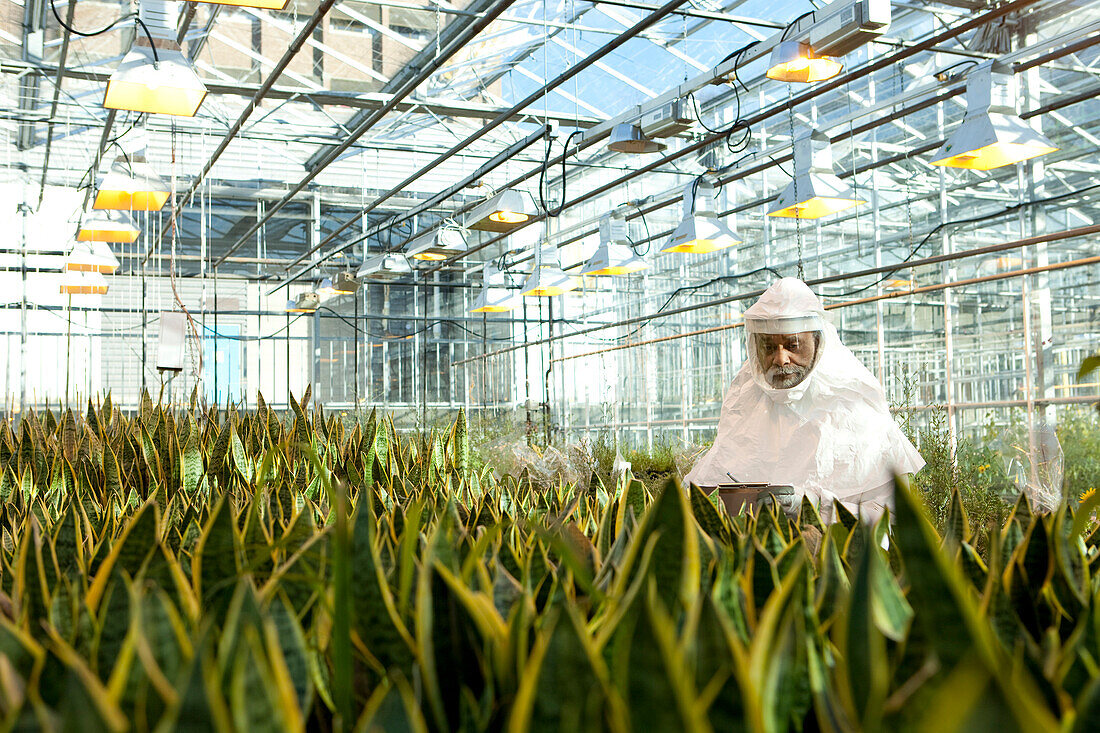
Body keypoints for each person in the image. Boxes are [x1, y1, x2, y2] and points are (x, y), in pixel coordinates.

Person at [685, 278, 924, 523]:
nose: (780, 359)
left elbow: (891, 520)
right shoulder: (745, 404)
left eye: (793, 345)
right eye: (768, 347)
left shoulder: (856, 409)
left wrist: (813, 506)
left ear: (818, 342)